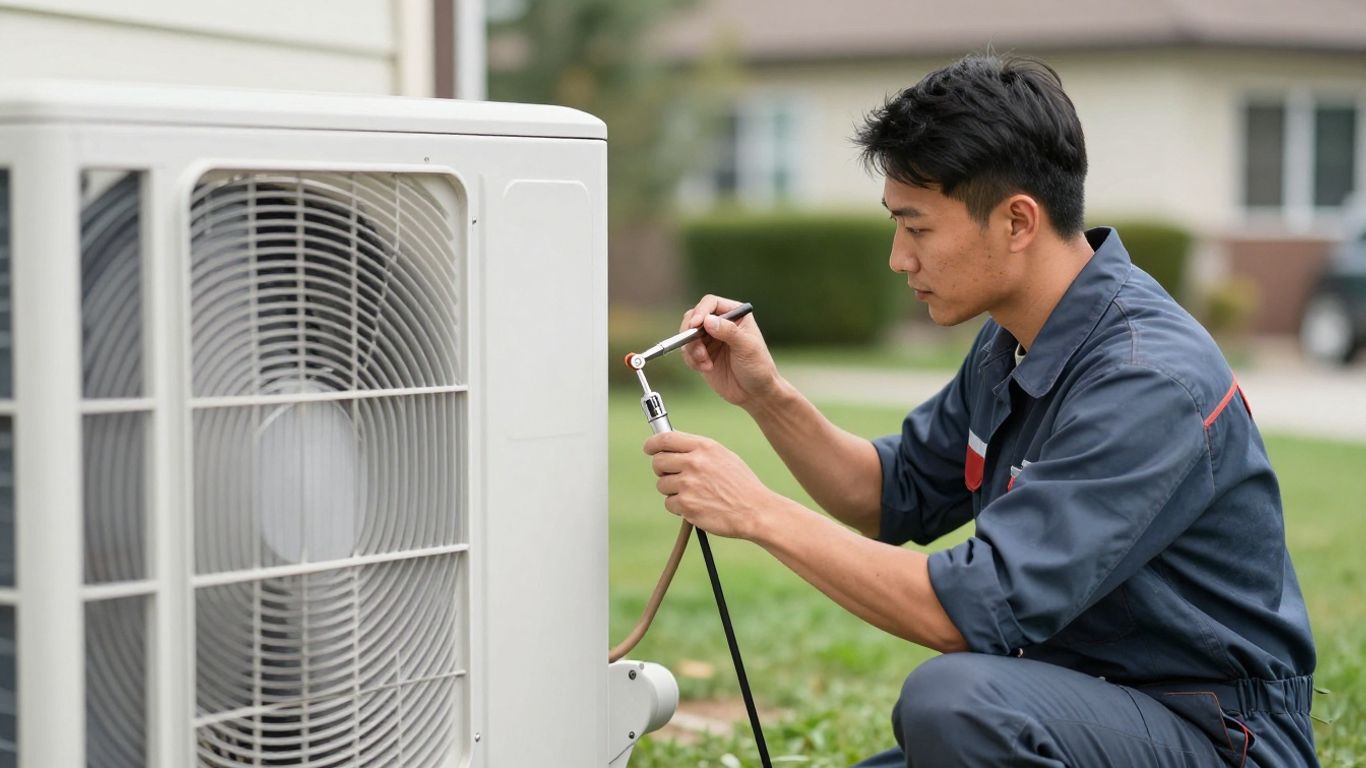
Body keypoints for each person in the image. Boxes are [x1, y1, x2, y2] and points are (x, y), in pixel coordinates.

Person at [644, 54, 1317, 767]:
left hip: (1215, 733)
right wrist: (766, 396)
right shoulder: (1015, 339)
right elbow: (888, 494)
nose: (899, 259)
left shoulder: (1147, 378)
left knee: (955, 702)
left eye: (918, 228)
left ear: (1018, 221)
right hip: (1078, 707)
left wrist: (756, 511)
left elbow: (968, 611)